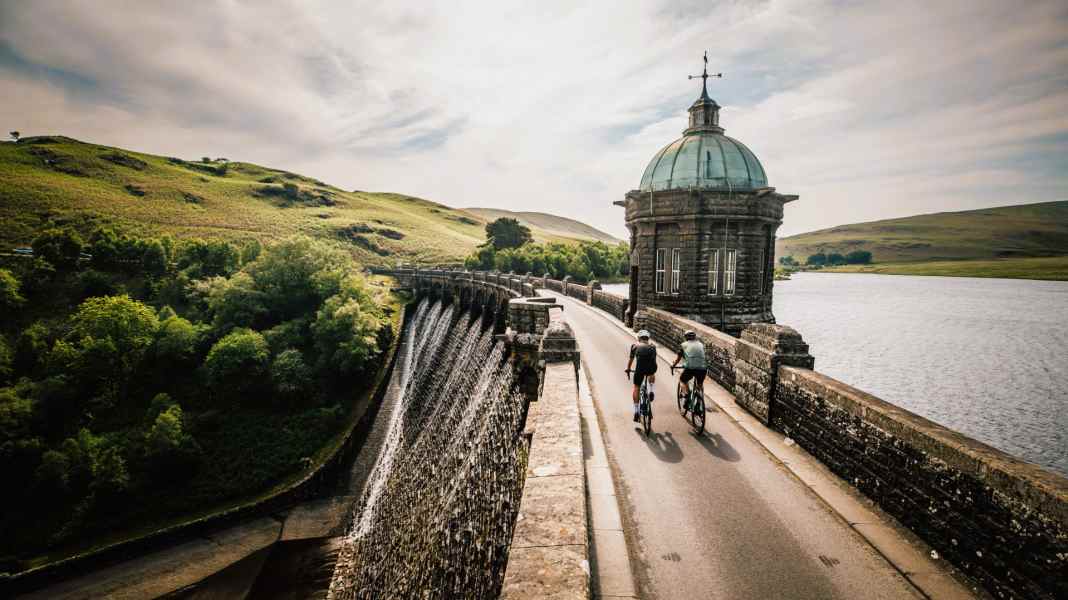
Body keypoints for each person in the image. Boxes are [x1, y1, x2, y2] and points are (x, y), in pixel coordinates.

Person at [626, 330, 657, 422]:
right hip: (651, 369)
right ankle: (651, 390)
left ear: (639, 338)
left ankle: (636, 411)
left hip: (640, 370)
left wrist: (628, 369)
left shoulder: (634, 346)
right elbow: (653, 360)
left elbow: (631, 359)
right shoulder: (653, 346)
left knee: (636, 387)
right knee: (652, 373)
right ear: (648, 338)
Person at [672, 330, 706, 409]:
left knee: (682, 380)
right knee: (700, 384)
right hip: (703, 368)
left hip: (690, 368)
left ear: (686, 338)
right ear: (695, 337)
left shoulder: (684, 345)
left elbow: (678, 359)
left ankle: (686, 395)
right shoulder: (700, 344)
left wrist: (673, 365)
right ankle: (699, 401)